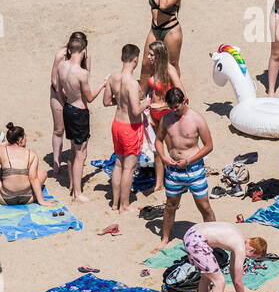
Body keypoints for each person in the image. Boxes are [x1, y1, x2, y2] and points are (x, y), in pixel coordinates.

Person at [181, 222, 268, 292]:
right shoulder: (241, 247)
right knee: (219, 281)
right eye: (252, 257)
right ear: (252, 250)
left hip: (191, 234)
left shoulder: (240, 237)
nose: (249, 258)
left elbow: (233, 270)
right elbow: (238, 280)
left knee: (207, 277)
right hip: (196, 241)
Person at [155, 87, 216, 245]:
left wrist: (189, 161)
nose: (174, 110)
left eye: (177, 106)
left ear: (184, 101)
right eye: (171, 107)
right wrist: (163, 157)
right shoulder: (167, 119)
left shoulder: (196, 119)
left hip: (194, 169)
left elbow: (208, 146)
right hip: (173, 170)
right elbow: (158, 140)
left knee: (204, 206)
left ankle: (214, 238)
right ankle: (165, 237)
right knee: (170, 205)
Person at [57, 33, 106, 202]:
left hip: (68, 108)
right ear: (83, 51)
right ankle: (77, 192)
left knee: (73, 149)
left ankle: (72, 184)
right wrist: (103, 85)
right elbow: (90, 97)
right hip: (79, 113)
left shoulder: (62, 66)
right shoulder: (82, 73)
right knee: (81, 153)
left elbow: (58, 90)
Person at [103, 43, 149, 213]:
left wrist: (121, 101)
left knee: (118, 164)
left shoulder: (113, 78)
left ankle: (114, 204)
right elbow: (136, 110)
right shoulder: (132, 84)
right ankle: (124, 205)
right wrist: (147, 103)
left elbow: (107, 101)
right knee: (129, 168)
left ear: (122, 58)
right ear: (135, 60)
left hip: (117, 124)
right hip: (131, 127)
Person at [140, 41, 184, 194]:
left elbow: (182, 96)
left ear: (158, 55)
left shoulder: (169, 70)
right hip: (153, 114)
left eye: (151, 54)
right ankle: (159, 183)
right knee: (157, 150)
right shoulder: (155, 69)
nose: (148, 57)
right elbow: (154, 90)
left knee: (172, 148)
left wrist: (162, 106)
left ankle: (178, 179)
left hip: (166, 114)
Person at [129, 0, 183, 76]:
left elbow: (163, 5)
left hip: (171, 31)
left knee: (171, 65)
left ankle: (175, 92)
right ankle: (142, 92)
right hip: (154, 29)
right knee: (146, 63)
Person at [0, 122, 46, 206]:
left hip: (5, 199)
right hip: (28, 198)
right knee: (43, 172)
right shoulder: (32, 154)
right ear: (20, 140)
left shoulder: (1, 151)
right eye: (25, 137)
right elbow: (34, 179)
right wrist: (41, 201)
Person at [49, 31, 88, 180]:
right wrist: (63, 96)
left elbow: (86, 76)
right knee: (59, 129)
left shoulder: (85, 55)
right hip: (58, 93)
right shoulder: (60, 55)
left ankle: (74, 162)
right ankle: (57, 163)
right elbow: (54, 80)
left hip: (74, 96)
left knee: (76, 135)